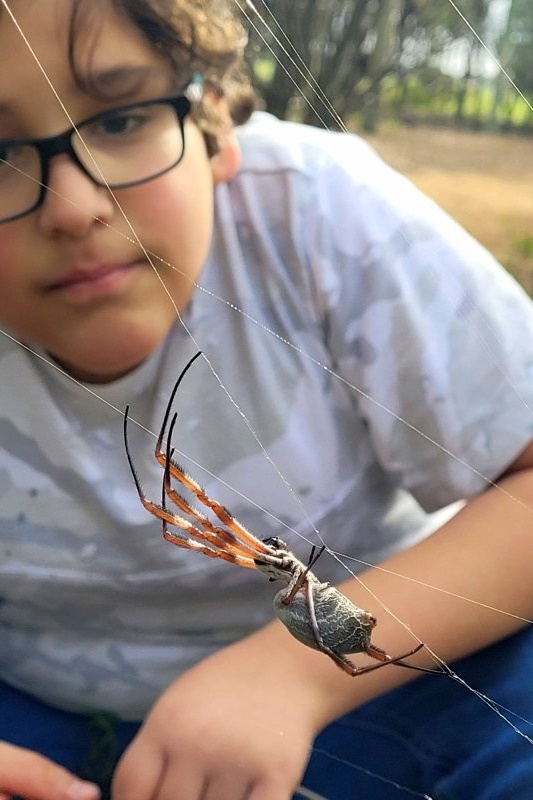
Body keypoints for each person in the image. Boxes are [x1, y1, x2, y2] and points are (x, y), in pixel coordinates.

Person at [1, 1, 533, 799]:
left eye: (121, 119)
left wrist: (299, 672)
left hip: (364, 678)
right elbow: (183, 516)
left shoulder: (314, 208)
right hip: (38, 707)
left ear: (213, 115)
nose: (75, 209)